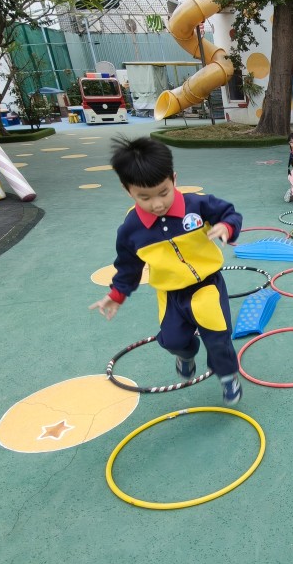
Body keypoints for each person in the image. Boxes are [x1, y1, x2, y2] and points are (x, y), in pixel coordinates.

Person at [89, 136, 244, 405]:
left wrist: (226, 227)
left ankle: (228, 377)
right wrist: (116, 295)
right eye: (144, 197)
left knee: (218, 336)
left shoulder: (197, 205)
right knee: (172, 340)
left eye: (163, 192)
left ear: (173, 179)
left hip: (207, 285)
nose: (157, 204)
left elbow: (229, 213)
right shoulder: (131, 230)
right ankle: (185, 354)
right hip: (170, 293)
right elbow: (128, 267)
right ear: (128, 191)